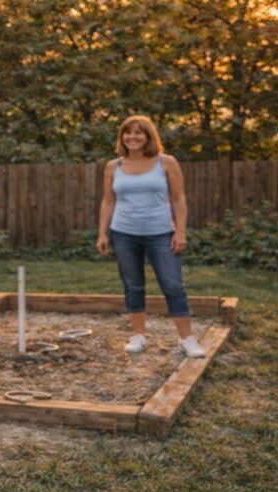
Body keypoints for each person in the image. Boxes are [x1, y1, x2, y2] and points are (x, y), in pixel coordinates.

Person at [95, 115, 205, 358]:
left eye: (138, 133)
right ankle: (138, 336)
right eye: (128, 133)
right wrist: (102, 233)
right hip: (123, 233)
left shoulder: (166, 162)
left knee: (173, 285)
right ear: (122, 137)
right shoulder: (114, 166)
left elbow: (178, 199)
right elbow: (108, 200)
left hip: (160, 233)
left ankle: (188, 340)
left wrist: (180, 231)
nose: (132, 137)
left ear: (148, 137)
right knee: (133, 285)